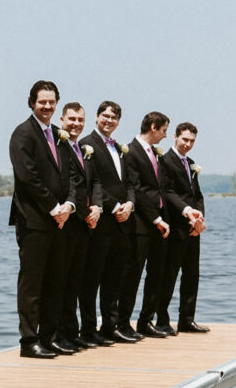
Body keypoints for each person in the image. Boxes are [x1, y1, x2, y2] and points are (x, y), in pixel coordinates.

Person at [8, 81, 79, 358]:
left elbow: (72, 175)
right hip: (35, 221)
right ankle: (29, 341)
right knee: (32, 283)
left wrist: (70, 205)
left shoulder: (59, 136)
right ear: (31, 103)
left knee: (55, 281)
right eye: (42, 102)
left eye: (51, 102)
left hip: (61, 221)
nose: (47, 107)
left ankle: (50, 337)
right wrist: (53, 207)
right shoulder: (22, 134)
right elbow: (28, 178)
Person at [79, 101, 137, 345]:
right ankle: (89, 329)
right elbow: (94, 182)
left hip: (123, 222)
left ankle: (110, 326)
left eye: (113, 118)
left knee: (115, 276)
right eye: (105, 116)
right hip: (101, 222)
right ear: (96, 117)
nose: (109, 121)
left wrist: (130, 204)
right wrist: (114, 206)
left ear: (118, 122)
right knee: (92, 278)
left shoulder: (121, 150)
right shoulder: (86, 145)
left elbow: (131, 183)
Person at [55, 103, 103, 350]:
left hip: (86, 223)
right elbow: (71, 184)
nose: (76, 123)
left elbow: (93, 182)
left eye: (80, 119)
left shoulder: (85, 149)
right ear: (62, 119)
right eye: (71, 119)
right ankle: (59, 335)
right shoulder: (59, 146)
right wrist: (84, 212)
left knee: (76, 281)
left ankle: (73, 333)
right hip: (69, 223)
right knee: (62, 282)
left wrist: (97, 207)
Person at [122, 111, 173, 337]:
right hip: (141, 224)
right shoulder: (131, 152)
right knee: (133, 274)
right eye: (164, 130)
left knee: (156, 274)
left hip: (160, 223)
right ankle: (123, 322)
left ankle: (146, 321)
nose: (165, 136)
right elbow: (138, 190)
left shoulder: (154, 154)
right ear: (153, 127)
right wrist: (155, 218)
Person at [160, 121, 209, 333]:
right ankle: (162, 319)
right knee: (169, 275)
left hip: (193, 229)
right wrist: (188, 213)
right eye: (184, 140)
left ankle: (187, 319)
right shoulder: (165, 162)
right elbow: (168, 192)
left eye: (192, 141)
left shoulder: (191, 163)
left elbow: (197, 195)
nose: (187, 144)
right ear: (175, 137)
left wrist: (200, 219)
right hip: (175, 227)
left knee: (192, 275)